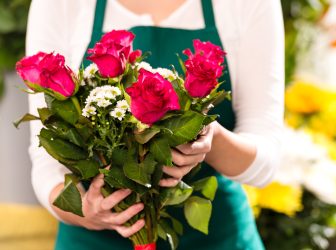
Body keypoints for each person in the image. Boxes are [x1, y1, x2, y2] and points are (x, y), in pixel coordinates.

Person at [26, 0, 284, 249]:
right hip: (92, 241)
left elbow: (265, 162)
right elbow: (47, 161)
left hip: (216, 238)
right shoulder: (59, 3)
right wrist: (85, 211)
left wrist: (209, 138)